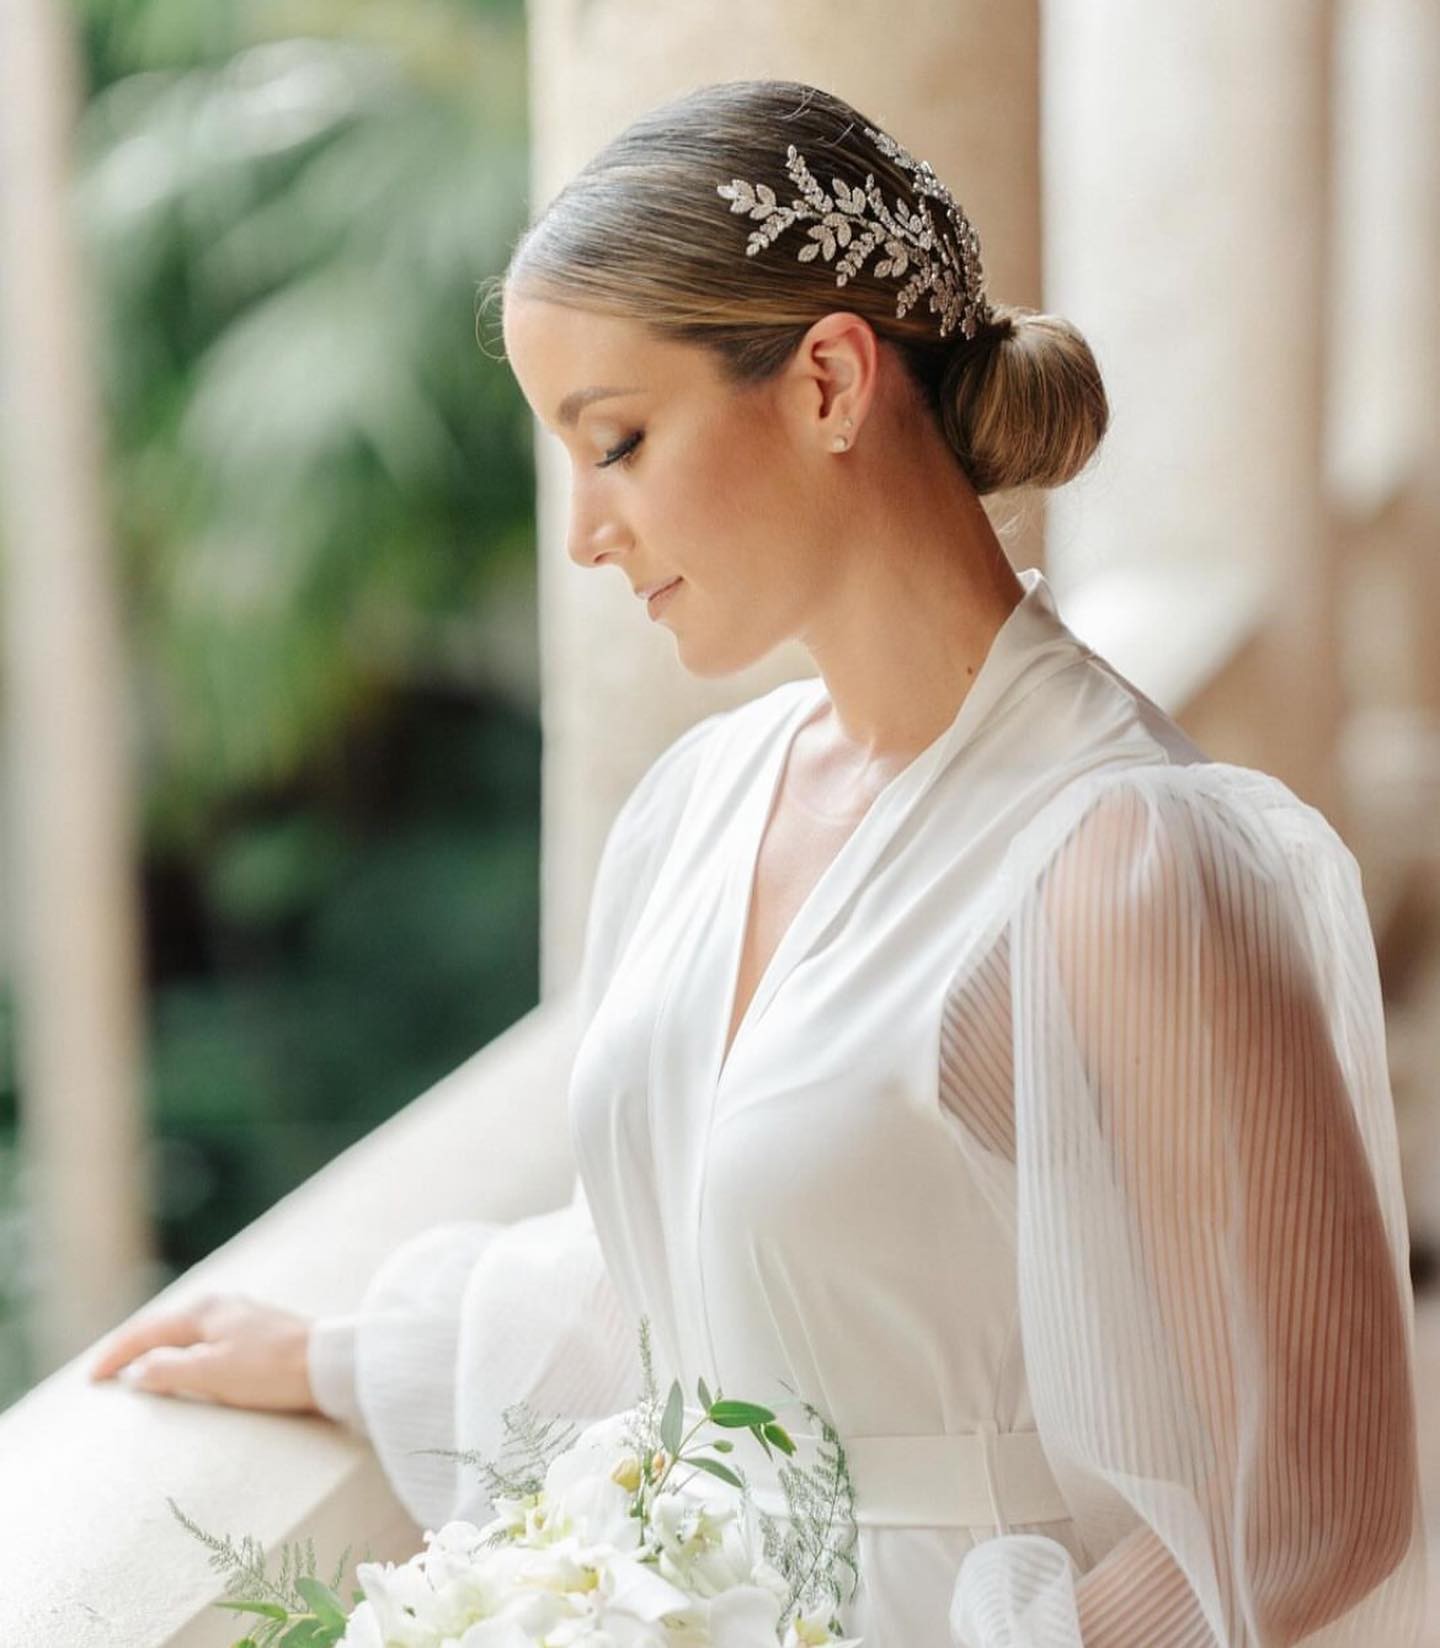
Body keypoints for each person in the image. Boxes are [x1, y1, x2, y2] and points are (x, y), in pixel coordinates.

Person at [88, 78, 1427, 1646]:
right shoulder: (702, 803)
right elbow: (691, 1291)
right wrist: (340, 1356)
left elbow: (1319, 1504)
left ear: (829, 384)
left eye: (619, 442)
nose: (584, 532)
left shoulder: (1126, 864)